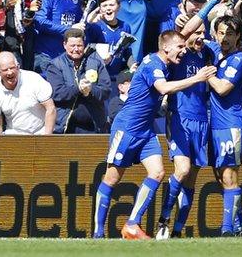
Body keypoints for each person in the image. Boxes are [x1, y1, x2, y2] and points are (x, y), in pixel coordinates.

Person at [92, 30, 216, 239]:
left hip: (146, 132)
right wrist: (197, 78)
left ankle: (132, 225)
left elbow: (187, 32)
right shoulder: (152, 64)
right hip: (127, 128)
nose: (183, 51)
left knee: (157, 173)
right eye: (180, 47)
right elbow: (163, 88)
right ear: (166, 48)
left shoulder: (166, 61)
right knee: (112, 178)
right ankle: (97, 233)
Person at [155, 0, 232, 239]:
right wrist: (212, 1)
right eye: (195, 33)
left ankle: (177, 232)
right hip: (179, 118)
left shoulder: (208, 54)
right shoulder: (182, 53)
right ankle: (163, 219)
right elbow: (189, 28)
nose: (198, 37)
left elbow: (224, 38)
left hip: (202, 121)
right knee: (183, 169)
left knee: (191, 181)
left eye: (202, 34)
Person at [206, 15, 242, 236]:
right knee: (220, 176)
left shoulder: (238, 59)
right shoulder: (215, 54)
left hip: (231, 125)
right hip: (215, 126)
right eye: (221, 33)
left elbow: (223, 88)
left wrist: (205, 74)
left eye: (230, 34)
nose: (224, 38)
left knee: (229, 176)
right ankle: (240, 226)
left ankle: (226, 231)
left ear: (238, 36)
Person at [46, 28, 111, 134]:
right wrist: (78, 89)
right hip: (65, 127)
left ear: (84, 45)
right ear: (64, 45)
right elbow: (57, 93)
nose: (76, 49)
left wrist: (90, 90)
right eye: (72, 46)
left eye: (79, 45)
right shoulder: (55, 65)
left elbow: (106, 90)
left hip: (94, 125)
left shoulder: (96, 63)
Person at [32, 0, 83, 73]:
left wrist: (89, 21)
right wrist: (69, 29)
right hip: (46, 56)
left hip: (67, 57)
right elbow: (39, 22)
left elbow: (77, 23)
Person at [0, 51, 56, 135]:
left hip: (40, 133)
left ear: (18, 67)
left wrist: (47, 139)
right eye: (5, 70)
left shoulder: (34, 79)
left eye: (12, 68)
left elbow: (50, 108)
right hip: (13, 135)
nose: (10, 72)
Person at [86, 0, 133, 80]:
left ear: (119, 7)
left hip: (117, 77)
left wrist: (132, 64)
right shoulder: (95, 26)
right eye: (104, 6)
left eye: (111, 5)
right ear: (100, 9)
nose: (108, 8)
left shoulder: (125, 26)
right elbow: (86, 49)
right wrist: (100, 55)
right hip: (98, 77)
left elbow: (126, 50)